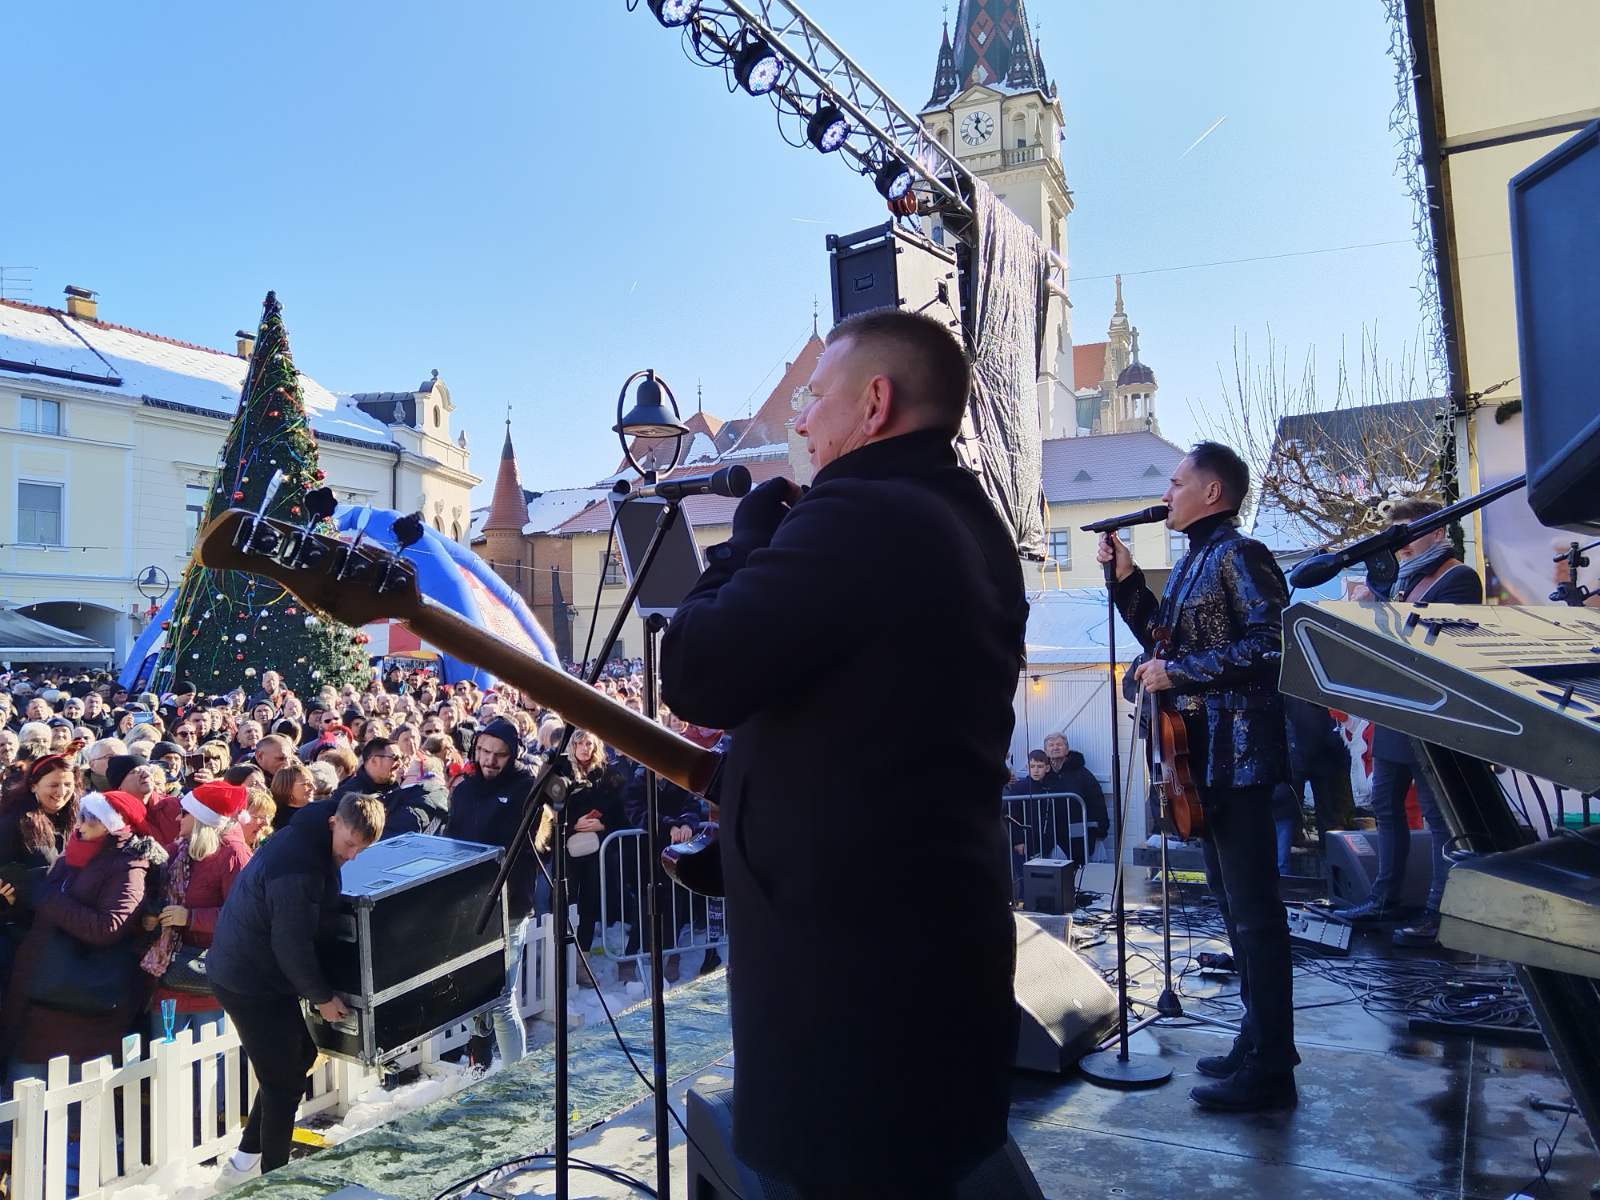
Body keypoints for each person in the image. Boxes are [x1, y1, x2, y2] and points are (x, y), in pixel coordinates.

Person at [660, 309, 1026, 1197]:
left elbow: (697, 671)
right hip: (940, 947)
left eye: (814, 396)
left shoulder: (860, 512)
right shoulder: (970, 518)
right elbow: (868, 721)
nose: (800, 420)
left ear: (874, 403)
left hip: (849, 988)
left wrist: (747, 543)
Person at [1098, 440, 1298, 1112]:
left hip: (1238, 759)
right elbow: (1163, 640)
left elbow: (1273, 644)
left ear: (1213, 493)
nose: (1167, 494)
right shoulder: (1192, 562)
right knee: (1234, 911)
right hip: (1205, 762)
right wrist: (1127, 582)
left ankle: (1273, 1067)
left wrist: (1178, 672)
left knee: (1255, 915)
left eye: (1177, 483)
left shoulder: (1241, 555)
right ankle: (1257, 1038)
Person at [207, 793, 384, 1181]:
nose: (352, 855)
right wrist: (322, 997)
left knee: (298, 1058)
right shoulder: (300, 867)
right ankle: (273, 1179)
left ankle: (244, 1162)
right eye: (350, 845)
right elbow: (291, 943)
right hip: (249, 979)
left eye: (361, 849)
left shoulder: (312, 837)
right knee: (283, 1082)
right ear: (334, 823)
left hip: (258, 971)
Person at [1332, 498, 1482, 946]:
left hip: (1431, 716)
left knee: (1437, 816)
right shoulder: (1406, 579)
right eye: (1396, 537)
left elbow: (1441, 642)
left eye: (1409, 534)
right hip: (1397, 711)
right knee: (1385, 806)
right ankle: (1384, 898)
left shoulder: (1458, 577)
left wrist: (1381, 607)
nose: (1402, 545)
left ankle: (1440, 912)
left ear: (1437, 532)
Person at [2, 791, 165, 1134]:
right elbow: (52, 911)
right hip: (42, 991)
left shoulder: (128, 866)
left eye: (92, 819)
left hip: (80, 1001)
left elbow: (108, 927)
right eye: (82, 816)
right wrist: (20, 897)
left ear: (112, 825)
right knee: (22, 1100)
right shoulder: (73, 854)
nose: (80, 825)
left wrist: (43, 895)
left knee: (71, 1107)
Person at [445, 718, 539, 1067]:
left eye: (499, 754)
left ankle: (518, 1076)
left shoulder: (525, 787)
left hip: (509, 905)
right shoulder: (464, 790)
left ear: (513, 755)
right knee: (473, 996)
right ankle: (479, 1059)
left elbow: (519, 842)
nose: (489, 760)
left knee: (501, 1000)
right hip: (470, 907)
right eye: (484, 751)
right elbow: (453, 840)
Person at [139, 781, 252, 1040]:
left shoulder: (234, 854)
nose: (178, 818)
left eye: (185, 813)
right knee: (165, 1056)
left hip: (208, 978)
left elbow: (245, 917)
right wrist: (151, 917)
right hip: (168, 973)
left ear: (202, 819)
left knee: (210, 1061)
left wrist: (190, 918)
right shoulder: (178, 850)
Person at [1041, 732, 1109, 861]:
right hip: (1053, 839)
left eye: (1059, 744)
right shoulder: (1042, 774)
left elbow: (1097, 802)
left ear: (1067, 749)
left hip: (1082, 837)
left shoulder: (1083, 774)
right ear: (1045, 751)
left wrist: (1101, 829)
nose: (1055, 748)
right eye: (1051, 745)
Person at [332, 737, 401, 804]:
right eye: (395, 758)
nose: (400, 763)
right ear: (374, 761)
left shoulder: (399, 787)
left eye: (401, 758)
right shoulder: (346, 795)